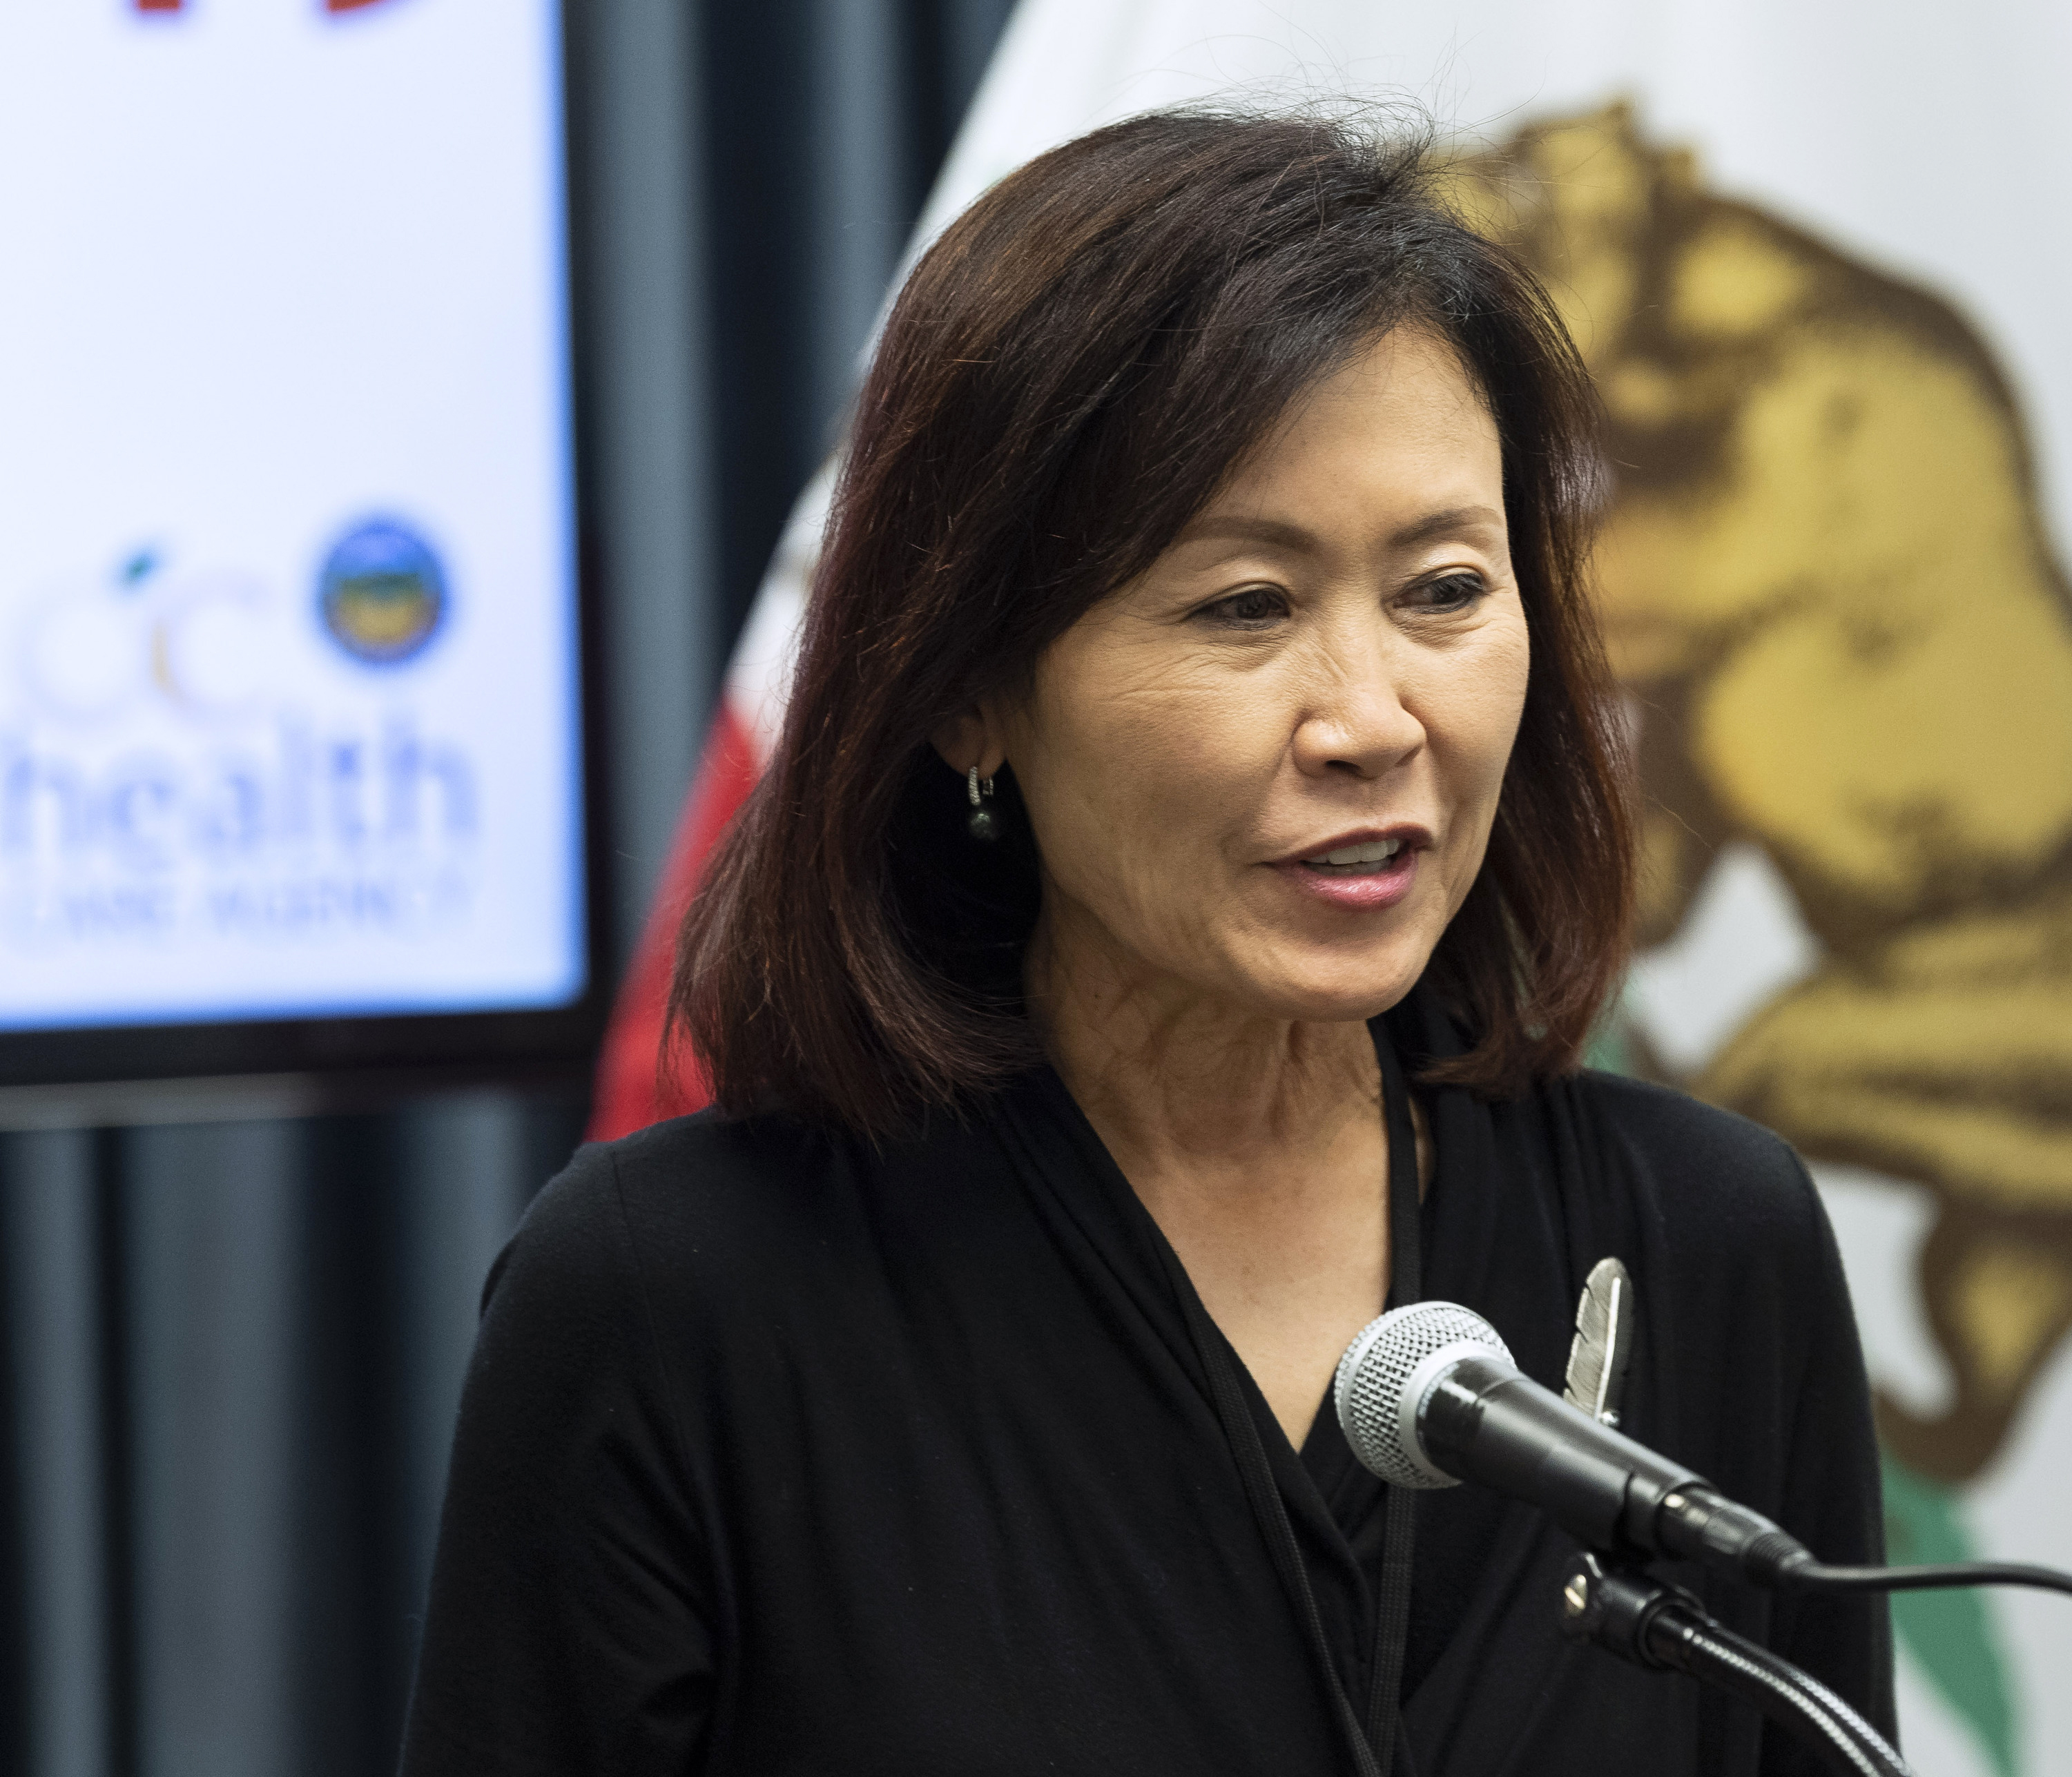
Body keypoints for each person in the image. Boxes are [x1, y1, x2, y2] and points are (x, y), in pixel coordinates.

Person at [401, 108, 1894, 1776]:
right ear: (967, 687)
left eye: (1444, 590)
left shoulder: (1700, 1238)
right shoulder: (675, 1298)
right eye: (1244, 607)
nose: (1370, 718)